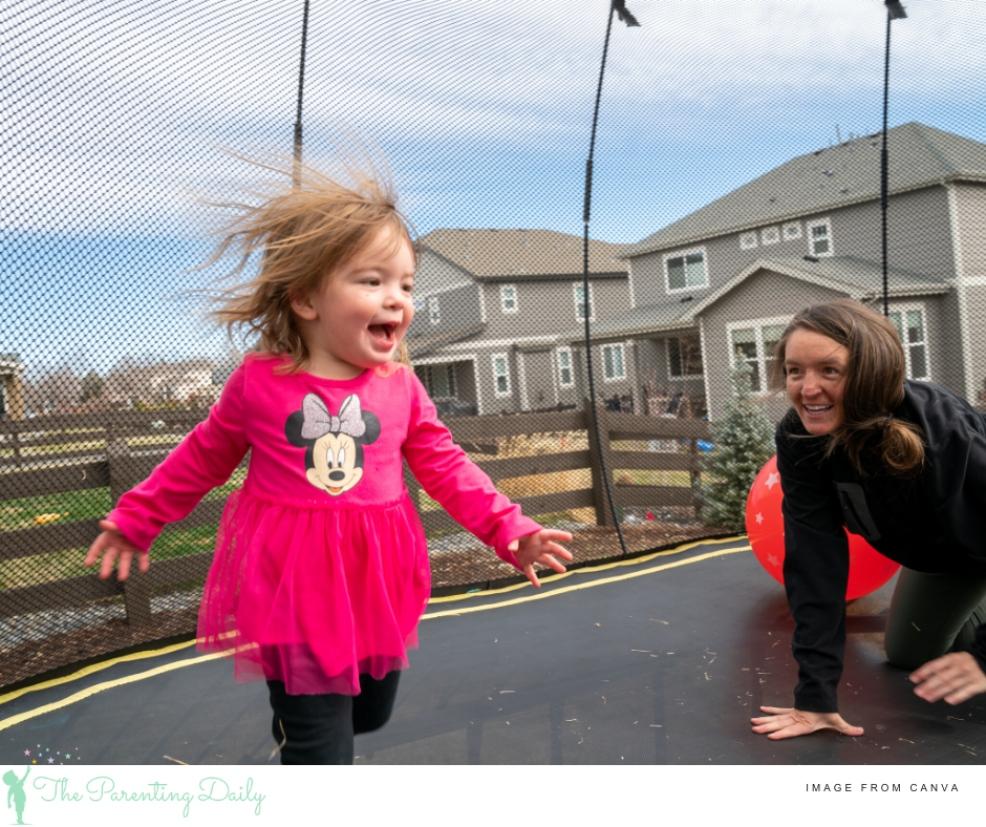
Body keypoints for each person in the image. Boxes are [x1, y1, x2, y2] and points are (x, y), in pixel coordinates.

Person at [85, 163, 573, 763]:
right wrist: (139, 517)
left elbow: (449, 468)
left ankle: (309, 731)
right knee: (321, 743)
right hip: (292, 584)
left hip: (375, 584)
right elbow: (201, 458)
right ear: (307, 298)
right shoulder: (259, 385)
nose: (396, 298)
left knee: (369, 711)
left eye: (407, 285)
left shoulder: (401, 389)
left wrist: (508, 528)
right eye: (372, 281)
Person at [750, 298, 986, 741]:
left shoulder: (941, 430)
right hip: (942, 557)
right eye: (795, 371)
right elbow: (813, 559)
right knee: (908, 652)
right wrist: (815, 697)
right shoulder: (801, 437)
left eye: (830, 370)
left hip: (978, 541)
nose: (808, 388)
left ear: (870, 371)